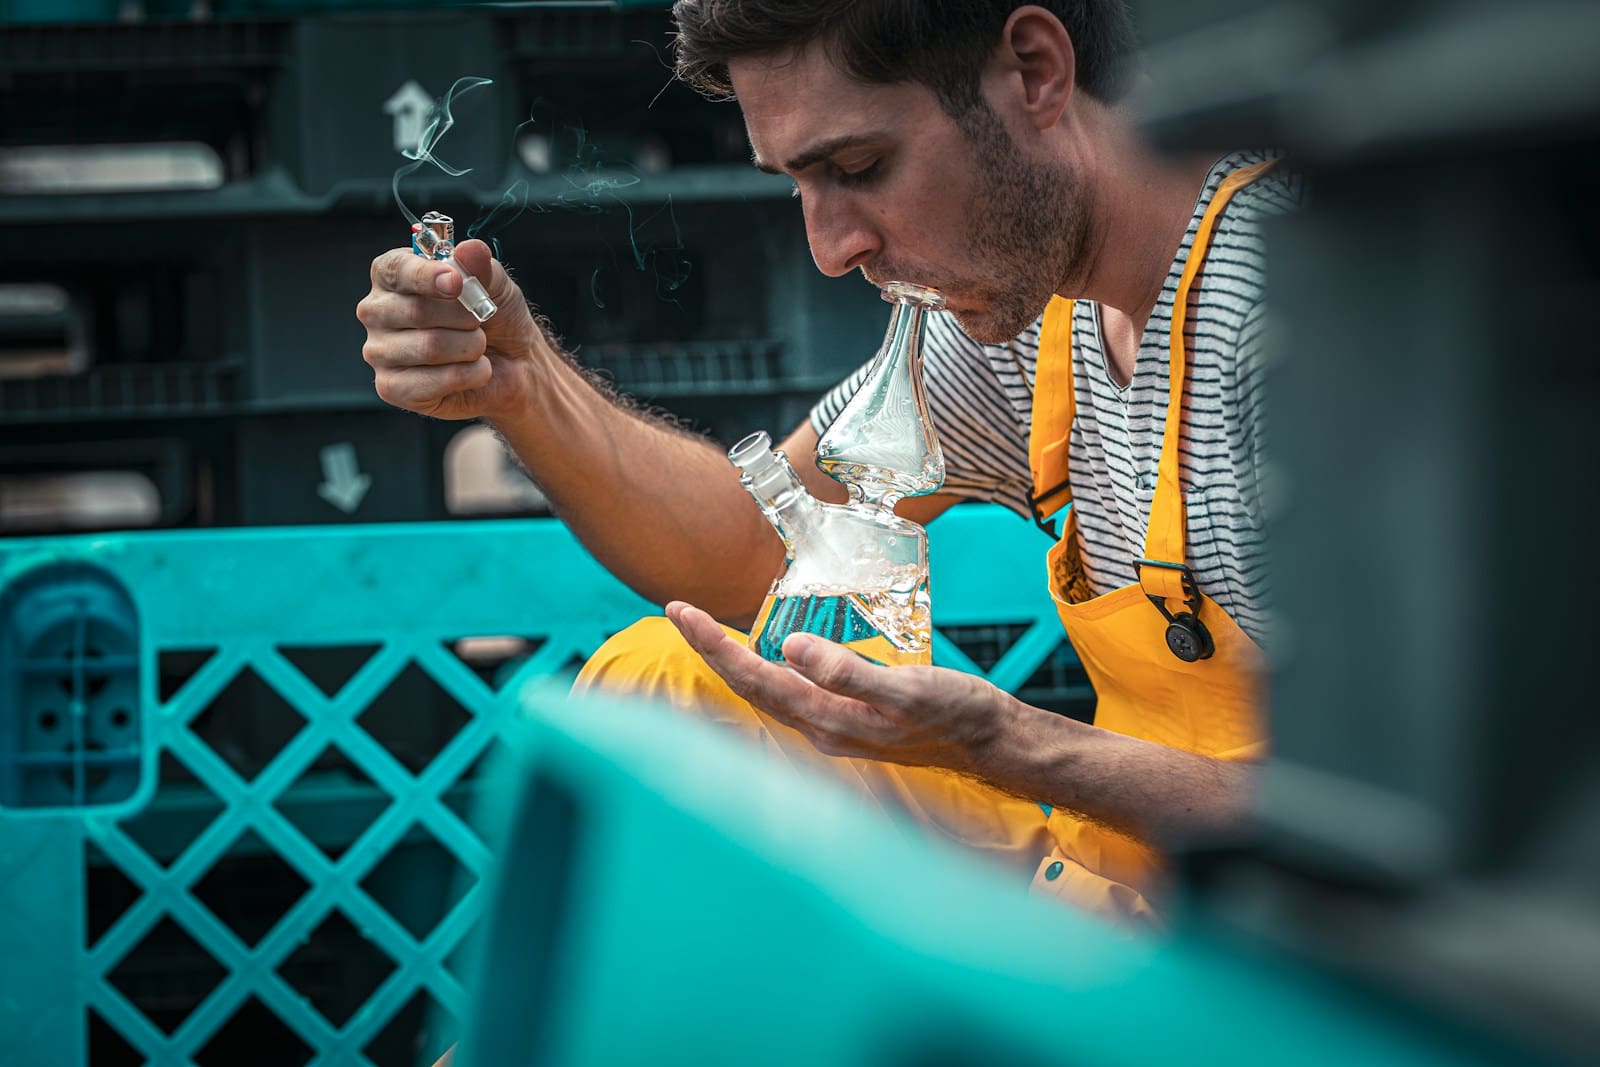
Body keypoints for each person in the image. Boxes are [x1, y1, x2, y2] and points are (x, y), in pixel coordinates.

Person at [356, 0, 1301, 928]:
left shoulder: (1292, 332)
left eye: (858, 166)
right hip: (1117, 874)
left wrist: (1007, 742)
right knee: (667, 683)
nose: (831, 248)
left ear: (1034, 72)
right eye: (798, 184)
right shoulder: (1030, 315)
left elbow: (1410, 843)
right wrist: (523, 387)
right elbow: (753, 549)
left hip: (1296, 965)